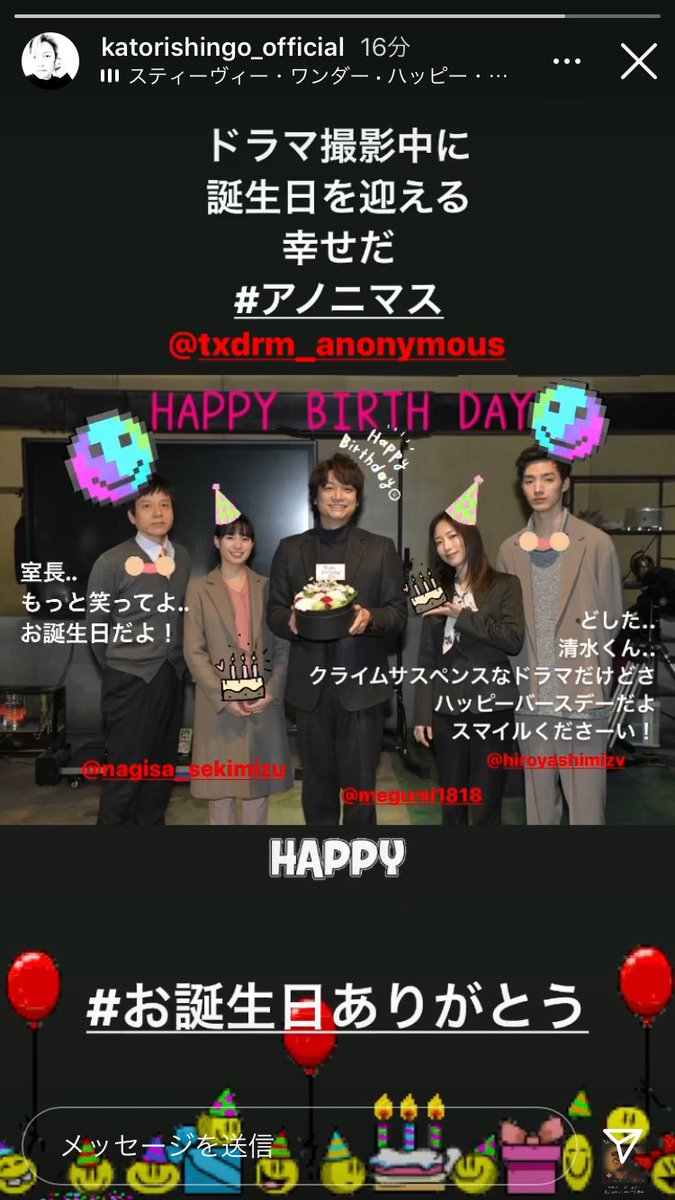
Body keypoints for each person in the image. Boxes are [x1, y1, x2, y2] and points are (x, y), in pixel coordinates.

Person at [267, 453, 407, 826]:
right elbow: (274, 611)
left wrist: (370, 617)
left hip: (361, 688)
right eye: (329, 488)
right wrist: (290, 621)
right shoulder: (290, 549)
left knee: (360, 789)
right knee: (317, 788)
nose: (338, 496)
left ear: (357, 499)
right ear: (315, 497)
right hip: (310, 688)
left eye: (347, 488)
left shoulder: (380, 549)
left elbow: (397, 613)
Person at [497, 445, 624, 825]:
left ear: (564, 484)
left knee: (586, 807)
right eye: (529, 480)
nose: (538, 488)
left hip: (581, 691)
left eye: (548, 479)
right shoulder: (510, 550)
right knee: (539, 807)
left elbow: (612, 616)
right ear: (521, 487)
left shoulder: (595, 543)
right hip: (532, 693)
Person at [86, 478, 191, 825]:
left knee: (160, 774)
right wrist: (122, 666)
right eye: (147, 506)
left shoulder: (182, 557)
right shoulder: (110, 562)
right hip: (130, 681)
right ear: (132, 516)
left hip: (172, 676)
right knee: (124, 778)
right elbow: (96, 628)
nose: (157, 513)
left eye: (164, 505)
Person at [413, 502, 524, 825]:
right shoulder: (435, 591)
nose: (446, 546)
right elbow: (427, 657)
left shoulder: (505, 585)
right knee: (452, 802)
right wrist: (422, 714)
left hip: (492, 708)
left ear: (470, 537)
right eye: (438, 541)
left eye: (452, 536)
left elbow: (512, 639)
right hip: (446, 710)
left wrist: (461, 615)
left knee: (487, 803)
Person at [183, 513, 292, 825]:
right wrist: (223, 697)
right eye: (230, 536)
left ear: (253, 544)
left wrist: (272, 690)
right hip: (218, 704)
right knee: (220, 791)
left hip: (262, 700)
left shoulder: (269, 588)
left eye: (245, 537)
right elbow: (193, 651)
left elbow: (284, 646)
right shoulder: (199, 589)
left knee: (259, 789)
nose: (237, 544)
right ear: (217, 542)